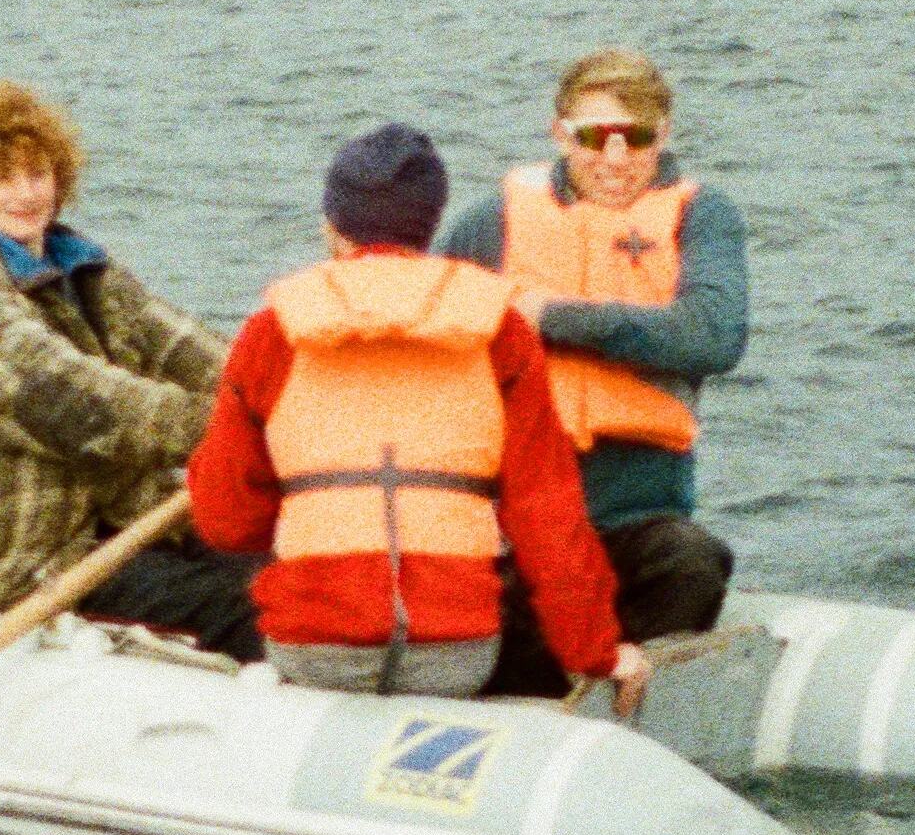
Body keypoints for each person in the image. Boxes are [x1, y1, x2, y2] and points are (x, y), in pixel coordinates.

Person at [187, 122, 622, 704]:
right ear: (431, 222)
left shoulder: (272, 332)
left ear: (333, 225)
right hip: (454, 653)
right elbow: (548, 516)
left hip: (316, 648)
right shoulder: (502, 332)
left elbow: (225, 521)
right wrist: (597, 653)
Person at [0, 81, 259, 658]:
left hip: (133, 528)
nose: (25, 193)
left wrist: (278, 393)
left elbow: (183, 346)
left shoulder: (86, 271)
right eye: (2, 177)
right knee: (239, 608)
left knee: (286, 569)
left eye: (38, 174)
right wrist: (233, 423)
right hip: (43, 567)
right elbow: (87, 409)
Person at [433, 46, 745, 664]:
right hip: (515, 518)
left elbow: (712, 336)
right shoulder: (490, 221)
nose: (615, 158)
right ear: (559, 133)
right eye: (595, 136)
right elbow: (432, 336)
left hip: (637, 514)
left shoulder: (701, 215)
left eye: (636, 137)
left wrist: (551, 316)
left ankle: (635, 698)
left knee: (695, 564)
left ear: (665, 134)